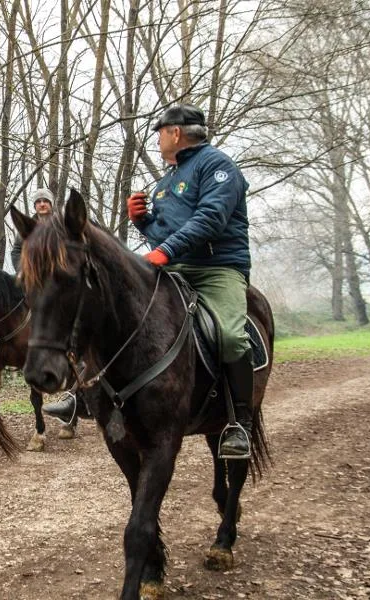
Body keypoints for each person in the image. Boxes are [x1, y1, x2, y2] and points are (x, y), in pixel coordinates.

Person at [127, 104, 253, 459]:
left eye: (160, 132)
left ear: (176, 132)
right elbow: (163, 233)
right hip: (175, 268)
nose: (157, 139)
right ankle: (85, 396)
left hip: (217, 268)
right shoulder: (166, 181)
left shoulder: (219, 166)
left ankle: (239, 422)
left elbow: (210, 219)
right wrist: (142, 222)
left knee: (230, 336)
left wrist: (164, 251)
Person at [11, 188, 55, 272]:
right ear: (35, 206)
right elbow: (17, 251)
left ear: (51, 204)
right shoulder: (27, 226)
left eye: (45, 201)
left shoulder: (60, 226)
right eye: (38, 201)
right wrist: (23, 271)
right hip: (33, 275)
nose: (42, 204)